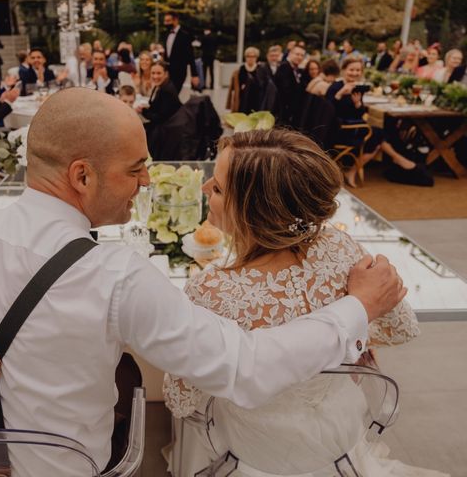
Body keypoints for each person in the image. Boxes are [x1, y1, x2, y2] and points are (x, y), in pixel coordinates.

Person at [0, 87, 404, 473]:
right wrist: (356, 308)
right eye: (136, 168)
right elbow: (247, 368)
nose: (147, 182)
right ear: (82, 176)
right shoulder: (114, 275)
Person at [163, 128, 446, 477]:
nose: (205, 189)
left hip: (256, 445)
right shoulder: (340, 250)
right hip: (338, 430)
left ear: (256, 211)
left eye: (218, 188)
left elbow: (180, 398)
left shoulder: (210, 289)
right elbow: (400, 326)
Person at [326, 57, 423, 188]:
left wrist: (358, 104)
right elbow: (327, 111)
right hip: (338, 130)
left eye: (358, 70)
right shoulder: (336, 86)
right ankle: (397, 159)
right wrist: (340, 94)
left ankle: (395, 159)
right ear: (344, 70)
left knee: (378, 136)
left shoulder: (358, 88)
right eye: (351, 70)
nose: (355, 73)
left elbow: (357, 114)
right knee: (378, 136)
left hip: (353, 126)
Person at [227, 46, 275, 114]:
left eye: (253, 56)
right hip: (244, 99)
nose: (250, 58)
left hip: (257, 98)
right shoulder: (242, 69)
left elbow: (264, 83)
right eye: (248, 56)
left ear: (256, 57)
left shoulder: (261, 69)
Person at [138, 61, 181, 135]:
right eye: (153, 73)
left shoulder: (167, 91)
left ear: (166, 74)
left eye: (159, 73)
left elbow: (160, 118)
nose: (155, 76)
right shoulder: (161, 85)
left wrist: (143, 111)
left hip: (166, 130)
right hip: (164, 124)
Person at [163, 11, 199, 92]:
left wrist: (194, 74)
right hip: (167, 71)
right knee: (167, 94)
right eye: (165, 21)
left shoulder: (185, 35)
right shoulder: (167, 34)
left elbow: (190, 55)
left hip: (179, 71)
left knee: (173, 94)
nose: (165, 23)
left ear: (175, 20)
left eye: (168, 21)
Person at [274, 44, 307, 127]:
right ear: (290, 54)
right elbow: (286, 92)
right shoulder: (284, 67)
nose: (299, 57)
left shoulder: (295, 69)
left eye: (302, 55)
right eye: (297, 54)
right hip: (283, 112)